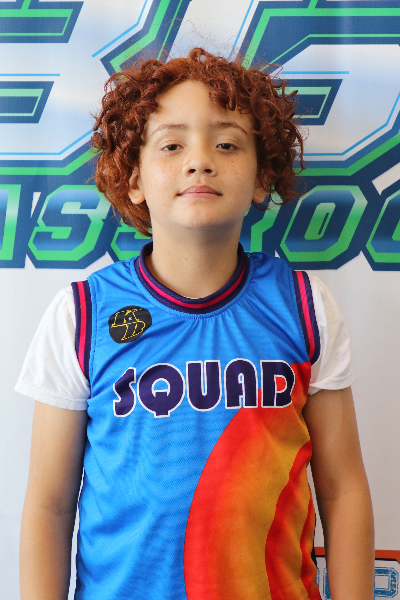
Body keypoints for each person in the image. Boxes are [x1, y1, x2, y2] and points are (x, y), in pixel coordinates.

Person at [16, 48, 374, 600]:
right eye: (171, 145)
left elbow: (343, 489)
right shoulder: (81, 315)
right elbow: (49, 504)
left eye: (227, 144)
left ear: (262, 177)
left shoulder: (304, 306)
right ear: (134, 178)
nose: (200, 161)